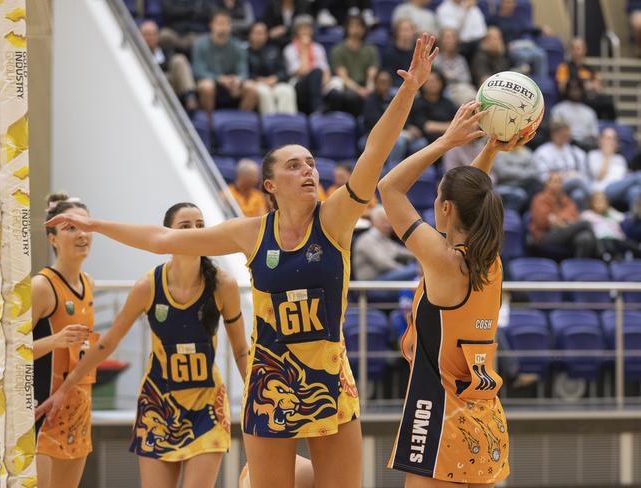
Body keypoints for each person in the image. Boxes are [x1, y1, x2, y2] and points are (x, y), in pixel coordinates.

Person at [45, 34, 440, 488]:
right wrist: (98, 226)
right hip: (270, 382)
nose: (308, 170)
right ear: (269, 184)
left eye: (311, 163)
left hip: (329, 379)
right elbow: (160, 238)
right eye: (294, 165)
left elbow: (374, 151)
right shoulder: (251, 232)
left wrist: (409, 89)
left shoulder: (335, 219)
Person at [37, 203, 249, 488]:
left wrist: (255, 397)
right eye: (185, 226)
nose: (194, 232)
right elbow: (107, 343)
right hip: (158, 406)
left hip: (206, 407)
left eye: (200, 225)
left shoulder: (223, 284)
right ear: (167, 235)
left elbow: (240, 350)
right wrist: (65, 388)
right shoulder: (148, 285)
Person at [378, 101, 529, 485]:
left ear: (445, 208)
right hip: (486, 421)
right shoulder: (489, 261)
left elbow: (389, 187)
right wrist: (489, 150)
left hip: (441, 420)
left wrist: (445, 142)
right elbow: (471, 201)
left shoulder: (444, 261)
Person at [33, 193, 96, 488]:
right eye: (70, 227)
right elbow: (10, 355)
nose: (82, 234)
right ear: (53, 238)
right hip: (43, 412)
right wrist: (55, 341)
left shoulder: (89, 283)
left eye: (85, 225)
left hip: (79, 408)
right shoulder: (41, 286)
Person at [192, 10, 258, 113]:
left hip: (231, 87)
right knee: (207, 86)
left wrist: (237, 80)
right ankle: (209, 123)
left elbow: (243, 71)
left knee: (251, 87)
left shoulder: (238, 46)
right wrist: (219, 79)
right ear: (211, 25)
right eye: (219, 23)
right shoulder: (199, 44)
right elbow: (198, 71)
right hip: (211, 84)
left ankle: (240, 122)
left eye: (226, 23)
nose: (223, 28)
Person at [529, 172, 597, 258]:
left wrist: (557, 219)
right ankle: (601, 252)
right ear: (547, 183)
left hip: (566, 232)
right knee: (586, 224)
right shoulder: (539, 199)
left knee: (585, 238)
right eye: (555, 181)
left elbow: (575, 217)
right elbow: (542, 222)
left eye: (560, 182)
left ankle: (577, 268)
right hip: (545, 236)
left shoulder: (567, 200)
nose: (558, 184)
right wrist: (563, 220)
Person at [140, 20, 198, 112]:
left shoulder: (165, 50)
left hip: (172, 85)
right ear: (140, 36)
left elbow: (171, 68)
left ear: (157, 36)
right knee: (163, 77)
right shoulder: (135, 54)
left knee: (179, 59)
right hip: (149, 85)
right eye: (147, 34)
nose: (150, 37)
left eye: (153, 34)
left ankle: (190, 98)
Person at [328, 14, 380, 116]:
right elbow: (343, 77)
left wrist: (369, 88)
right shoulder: (338, 50)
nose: (356, 29)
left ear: (364, 29)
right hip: (348, 88)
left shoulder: (371, 49)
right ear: (346, 28)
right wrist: (359, 91)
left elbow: (372, 74)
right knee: (351, 97)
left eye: (359, 26)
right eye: (353, 26)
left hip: (365, 86)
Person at [533, 120, 591, 210]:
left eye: (568, 135)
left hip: (574, 187)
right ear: (554, 134)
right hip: (554, 187)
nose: (566, 138)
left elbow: (584, 173)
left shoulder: (575, 151)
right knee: (577, 181)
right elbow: (543, 177)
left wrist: (576, 175)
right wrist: (564, 177)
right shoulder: (543, 152)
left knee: (578, 195)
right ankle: (594, 200)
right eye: (563, 135)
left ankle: (579, 220)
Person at [555, 37, 616, 119]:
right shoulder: (564, 67)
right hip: (572, 100)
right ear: (570, 51)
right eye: (575, 48)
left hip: (588, 100)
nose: (578, 51)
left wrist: (596, 86)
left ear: (585, 50)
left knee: (608, 102)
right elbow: (561, 88)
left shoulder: (589, 69)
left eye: (580, 48)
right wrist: (585, 86)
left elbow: (599, 87)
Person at [487, 0, 549, 78]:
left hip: (521, 44)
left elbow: (527, 29)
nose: (510, 5)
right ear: (502, 3)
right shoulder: (494, 19)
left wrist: (541, 30)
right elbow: (491, 33)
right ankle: (520, 81)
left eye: (512, 3)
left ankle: (541, 82)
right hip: (508, 47)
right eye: (507, 2)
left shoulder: (516, 18)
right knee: (524, 56)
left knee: (540, 54)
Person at [247, 22, 298, 114]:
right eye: (256, 33)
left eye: (262, 33)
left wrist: (275, 78)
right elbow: (245, 73)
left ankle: (288, 124)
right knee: (264, 92)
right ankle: (270, 123)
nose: (259, 36)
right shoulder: (245, 53)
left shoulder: (274, 50)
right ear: (251, 35)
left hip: (274, 83)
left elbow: (283, 71)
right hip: (256, 84)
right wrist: (258, 80)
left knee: (287, 90)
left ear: (266, 35)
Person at [589, 127, 641, 210]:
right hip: (604, 190)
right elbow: (599, 177)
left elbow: (624, 177)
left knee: (635, 192)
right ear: (600, 140)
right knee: (638, 175)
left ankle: (634, 221)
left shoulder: (620, 158)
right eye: (608, 138)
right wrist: (607, 156)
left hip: (621, 188)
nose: (611, 142)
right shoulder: (593, 155)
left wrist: (629, 176)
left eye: (614, 139)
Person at [581, 192, 641, 261]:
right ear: (591, 203)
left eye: (603, 201)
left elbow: (624, 218)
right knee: (608, 243)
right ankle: (609, 258)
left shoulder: (611, 213)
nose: (600, 204)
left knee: (628, 243)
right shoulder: (587, 214)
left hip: (617, 240)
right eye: (597, 202)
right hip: (600, 240)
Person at [408, 69, 457, 143]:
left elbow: (458, 120)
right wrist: (450, 126)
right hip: (424, 139)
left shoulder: (447, 103)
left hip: (447, 137)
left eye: (436, 81)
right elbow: (427, 127)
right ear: (422, 84)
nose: (433, 84)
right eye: (429, 81)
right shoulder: (417, 103)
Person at [551, 79, 599, 151]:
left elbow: (594, 134)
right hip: (564, 143)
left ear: (582, 91)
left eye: (577, 90)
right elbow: (554, 130)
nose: (575, 93)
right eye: (572, 89)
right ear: (567, 91)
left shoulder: (589, 112)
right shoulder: (559, 109)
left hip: (585, 146)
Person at [434, 28, 477, 106]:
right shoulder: (436, 59)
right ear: (441, 40)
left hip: (462, 87)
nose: (449, 41)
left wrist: (450, 76)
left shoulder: (460, 59)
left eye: (452, 38)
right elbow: (437, 78)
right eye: (447, 37)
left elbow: (467, 78)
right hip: (445, 89)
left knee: (470, 92)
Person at [383, 19, 418, 87]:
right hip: (396, 87)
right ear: (397, 32)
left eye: (408, 30)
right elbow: (389, 76)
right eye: (403, 30)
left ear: (413, 32)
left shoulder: (418, 51)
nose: (406, 33)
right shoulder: (389, 52)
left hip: (416, 86)